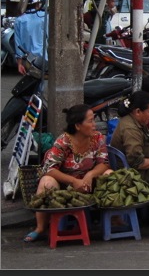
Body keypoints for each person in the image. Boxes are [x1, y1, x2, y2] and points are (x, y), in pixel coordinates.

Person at [23, 104, 113, 242]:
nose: (95, 125)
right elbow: (50, 168)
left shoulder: (97, 138)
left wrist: (90, 175)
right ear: (78, 126)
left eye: (94, 120)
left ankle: (115, 219)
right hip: (66, 187)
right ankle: (40, 228)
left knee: (109, 174)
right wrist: (73, 181)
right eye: (90, 121)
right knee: (46, 182)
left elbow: (104, 162)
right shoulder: (63, 141)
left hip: (89, 184)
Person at [14, 0, 47, 76]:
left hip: (28, 60)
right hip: (43, 58)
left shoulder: (19, 20)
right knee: (41, 83)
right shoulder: (44, 17)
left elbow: (18, 44)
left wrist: (19, 64)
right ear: (37, 4)